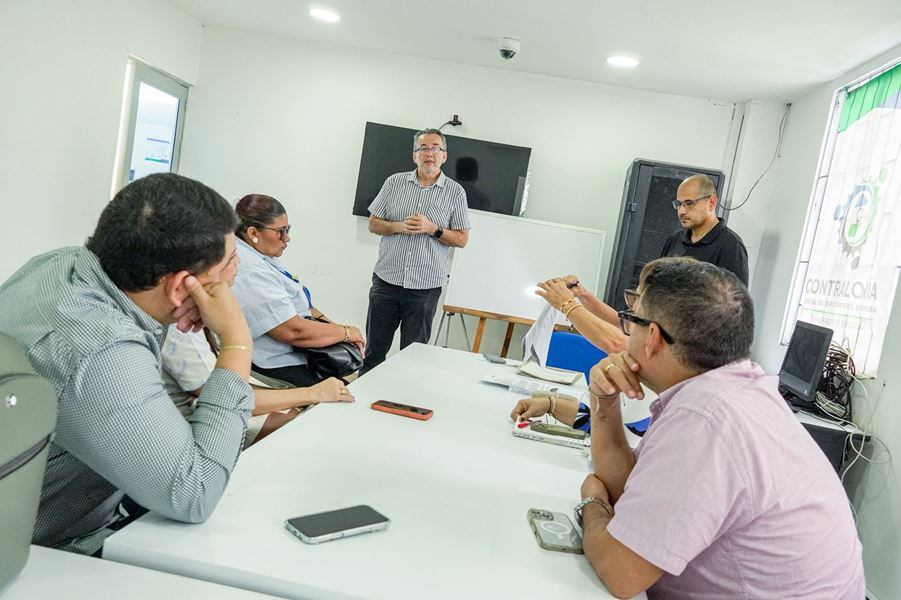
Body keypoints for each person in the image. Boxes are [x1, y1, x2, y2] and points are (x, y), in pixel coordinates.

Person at [534, 258, 865, 598]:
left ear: (652, 337)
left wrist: (591, 506)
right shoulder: (740, 387)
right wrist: (603, 402)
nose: (625, 331)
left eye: (630, 321)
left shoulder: (704, 418)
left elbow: (621, 573)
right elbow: (630, 488)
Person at [0, 173, 254, 554]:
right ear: (182, 286)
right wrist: (236, 341)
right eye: (229, 266)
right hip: (52, 551)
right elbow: (195, 494)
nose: (234, 276)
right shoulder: (101, 352)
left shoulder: (59, 264)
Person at [535, 174, 748, 353]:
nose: (681, 211)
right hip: (659, 338)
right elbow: (632, 319)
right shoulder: (675, 241)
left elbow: (732, 316)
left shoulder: (730, 247)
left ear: (711, 202)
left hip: (692, 352)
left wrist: (567, 305)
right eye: (679, 204)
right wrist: (582, 294)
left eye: (689, 203)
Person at [361, 128, 471, 375]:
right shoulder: (394, 182)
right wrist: (399, 226)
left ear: (444, 156)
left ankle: (402, 406)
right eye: (423, 148)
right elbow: (373, 223)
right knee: (374, 352)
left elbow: (462, 239)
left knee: (413, 359)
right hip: (386, 282)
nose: (429, 154)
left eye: (435, 148)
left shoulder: (455, 192)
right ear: (414, 156)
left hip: (424, 288)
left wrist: (433, 229)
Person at [230, 194, 365, 388]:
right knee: (343, 396)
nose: (287, 238)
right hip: (276, 363)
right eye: (281, 231)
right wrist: (345, 333)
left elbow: (304, 305)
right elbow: (292, 331)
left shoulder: (263, 255)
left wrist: (340, 329)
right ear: (253, 232)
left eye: (288, 229)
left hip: (298, 353)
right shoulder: (249, 268)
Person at [161, 325, 354, 447]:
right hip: (194, 427)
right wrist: (312, 394)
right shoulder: (179, 330)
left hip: (222, 398)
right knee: (303, 424)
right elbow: (228, 397)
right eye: (229, 262)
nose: (237, 265)